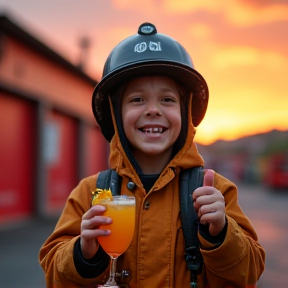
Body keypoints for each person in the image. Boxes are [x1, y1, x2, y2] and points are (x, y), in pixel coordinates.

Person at [39, 22, 265, 288]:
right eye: (137, 100)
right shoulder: (91, 193)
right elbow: (53, 274)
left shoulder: (214, 191)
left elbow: (249, 273)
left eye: (167, 100)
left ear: (186, 112)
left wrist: (221, 233)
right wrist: (82, 253)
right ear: (116, 115)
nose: (153, 110)